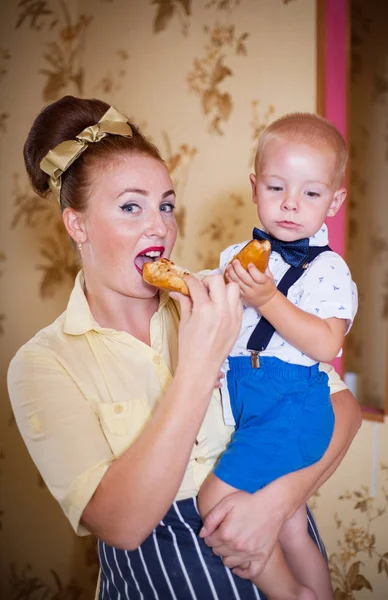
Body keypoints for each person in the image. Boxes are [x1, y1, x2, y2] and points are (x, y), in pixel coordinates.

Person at [7, 97, 361, 600]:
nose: (160, 227)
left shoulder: (215, 295)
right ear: (77, 224)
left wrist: (277, 506)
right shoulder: (42, 365)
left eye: (166, 205)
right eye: (131, 206)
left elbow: (337, 403)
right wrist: (197, 364)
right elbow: (121, 524)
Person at [198, 113, 358, 600]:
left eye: (310, 194)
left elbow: (327, 345)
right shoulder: (236, 257)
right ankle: (317, 592)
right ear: (254, 187)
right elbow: (216, 312)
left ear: (334, 202)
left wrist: (269, 299)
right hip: (251, 401)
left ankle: (288, 592)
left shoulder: (330, 270)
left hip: (291, 406)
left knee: (215, 500)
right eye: (275, 187)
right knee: (290, 519)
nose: (290, 205)